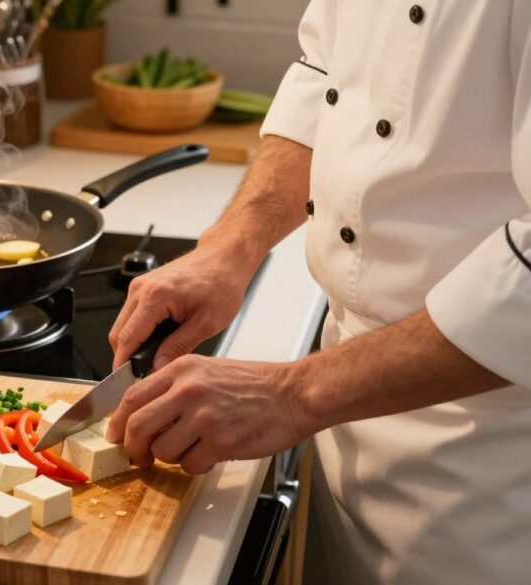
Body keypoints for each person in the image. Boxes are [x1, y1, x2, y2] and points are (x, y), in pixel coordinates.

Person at [104, 2, 531, 584]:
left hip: (493, 472)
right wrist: (229, 247)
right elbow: (327, 76)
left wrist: (288, 395)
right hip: (345, 413)